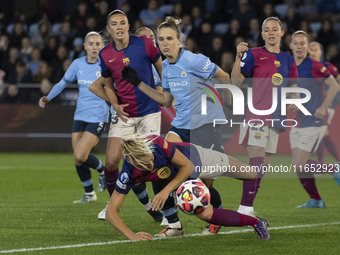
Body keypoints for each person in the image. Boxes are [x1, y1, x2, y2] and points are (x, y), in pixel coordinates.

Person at [121, 16, 231, 235]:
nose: (165, 43)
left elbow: (224, 76)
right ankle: (173, 224)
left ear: (180, 40)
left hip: (206, 127)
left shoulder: (194, 60)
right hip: (181, 126)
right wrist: (139, 84)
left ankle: (216, 218)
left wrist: (221, 104)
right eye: (161, 39)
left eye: (170, 38)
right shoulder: (168, 69)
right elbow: (165, 101)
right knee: (157, 165)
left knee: (202, 185)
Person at [105, 134, 270, 241]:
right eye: (146, 165)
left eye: (151, 159)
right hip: (182, 180)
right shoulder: (129, 173)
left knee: (251, 174)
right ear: (134, 163)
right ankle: (257, 222)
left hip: (196, 158)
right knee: (206, 214)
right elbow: (111, 212)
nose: (151, 163)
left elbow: (187, 166)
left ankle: (208, 183)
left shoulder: (157, 143)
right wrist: (131, 235)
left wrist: (166, 191)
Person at [91, 10, 163, 223]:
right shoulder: (105, 54)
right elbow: (107, 84)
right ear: (109, 29)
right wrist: (114, 104)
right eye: (114, 24)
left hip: (149, 112)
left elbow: (163, 69)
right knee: (112, 161)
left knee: (147, 163)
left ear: (128, 25)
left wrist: (166, 95)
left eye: (123, 23)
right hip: (124, 114)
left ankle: (163, 209)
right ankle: (112, 205)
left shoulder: (145, 44)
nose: (119, 27)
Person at [231, 17, 299, 216]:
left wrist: (294, 99)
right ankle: (244, 209)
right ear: (262, 34)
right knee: (256, 164)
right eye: (266, 30)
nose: (270, 33)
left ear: (281, 33)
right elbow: (235, 82)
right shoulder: (253, 54)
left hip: (277, 119)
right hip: (256, 115)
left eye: (274, 29)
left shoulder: (288, 60)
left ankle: (246, 207)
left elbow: (293, 86)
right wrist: (237, 58)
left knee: (260, 171)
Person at [38, 31, 110, 203]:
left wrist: (116, 111)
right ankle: (89, 194)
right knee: (78, 159)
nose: (94, 47)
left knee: (80, 155)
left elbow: (113, 92)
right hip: (80, 115)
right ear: (85, 46)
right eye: (91, 44)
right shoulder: (77, 64)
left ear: (102, 46)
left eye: (98, 44)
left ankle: (102, 170)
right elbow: (63, 82)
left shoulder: (106, 66)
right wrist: (49, 96)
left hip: (98, 115)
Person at [289, 30, 340, 208]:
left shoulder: (315, 66)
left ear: (307, 46)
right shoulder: (289, 66)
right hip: (298, 120)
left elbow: (333, 86)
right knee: (298, 166)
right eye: (296, 43)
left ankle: (335, 169)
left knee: (299, 162)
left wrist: (324, 106)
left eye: (303, 43)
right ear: (291, 45)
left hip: (314, 121)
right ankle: (316, 199)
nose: (299, 46)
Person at [309, 41, 340, 163]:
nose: (314, 52)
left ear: (321, 52)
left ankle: (322, 162)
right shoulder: (307, 66)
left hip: (327, 105)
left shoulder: (327, 66)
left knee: (321, 132)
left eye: (316, 49)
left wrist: (330, 92)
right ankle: (328, 162)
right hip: (313, 105)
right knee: (321, 133)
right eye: (311, 49)